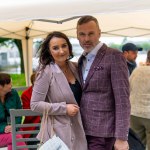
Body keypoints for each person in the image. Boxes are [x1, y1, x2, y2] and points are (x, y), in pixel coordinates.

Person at [76, 15, 130, 150]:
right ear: (77, 36)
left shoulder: (114, 56)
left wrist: (122, 137)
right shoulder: (82, 59)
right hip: (83, 129)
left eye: (91, 34)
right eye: (82, 34)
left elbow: (122, 100)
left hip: (104, 132)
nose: (86, 39)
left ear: (99, 33)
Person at [30, 31, 87, 150]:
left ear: (69, 47)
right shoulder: (45, 72)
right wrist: (64, 108)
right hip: (58, 133)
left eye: (64, 46)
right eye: (55, 48)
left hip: (79, 129)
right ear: (49, 51)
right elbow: (34, 105)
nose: (61, 51)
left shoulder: (76, 67)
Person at [0, 73, 27, 150]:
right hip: (2, 133)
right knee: (16, 137)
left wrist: (13, 126)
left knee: (13, 143)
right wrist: (4, 128)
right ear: (1, 86)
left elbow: (19, 113)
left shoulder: (14, 94)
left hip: (15, 129)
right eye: (9, 83)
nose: (11, 85)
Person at [129, 50, 150, 149]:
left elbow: (128, 88)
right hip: (148, 114)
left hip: (134, 113)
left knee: (137, 144)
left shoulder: (137, 70)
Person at [21, 72, 41, 143]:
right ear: (34, 82)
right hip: (33, 124)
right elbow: (28, 116)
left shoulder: (48, 91)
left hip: (48, 122)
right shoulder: (25, 94)